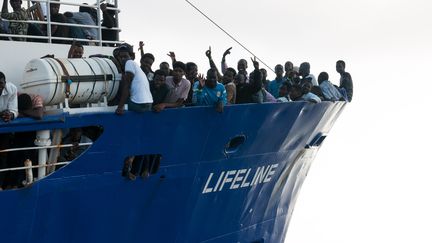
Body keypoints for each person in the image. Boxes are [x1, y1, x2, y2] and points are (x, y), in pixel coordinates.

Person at [114, 44, 153, 115]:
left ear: (132, 56)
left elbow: (127, 86)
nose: (122, 59)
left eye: (125, 56)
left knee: (113, 103)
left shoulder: (129, 63)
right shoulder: (137, 67)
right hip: (149, 103)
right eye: (121, 57)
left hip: (138, 105)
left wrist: (120, 107)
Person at [0, 71, 17, 190]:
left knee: (2, 157)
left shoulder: (11, 89)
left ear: (5, 83)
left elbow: (14, 109)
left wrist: (10, 115)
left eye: (1, 84)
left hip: (3, 130)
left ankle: (0, 186)